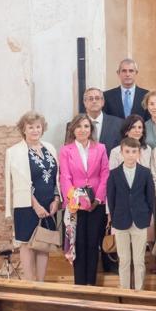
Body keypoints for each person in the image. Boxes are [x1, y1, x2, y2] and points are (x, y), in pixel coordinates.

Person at [5, 111, 60, 282]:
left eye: (38, 126)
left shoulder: (50, 148)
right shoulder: (14, 152)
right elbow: (17, 182)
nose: (35, 130)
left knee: (43, 244)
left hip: (50, 204)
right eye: (31, 127)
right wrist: (35, 204)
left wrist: (56, 200)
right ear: (23, 129)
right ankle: (29, 286)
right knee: (27, 245)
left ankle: (41, 285)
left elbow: (56, 178)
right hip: (26, 205)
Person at [59, 113, 110, 285]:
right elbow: (65, 177)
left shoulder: (101, 148)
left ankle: (91, 284)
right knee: (78, 244)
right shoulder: (66, 150)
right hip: (75, 206)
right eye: (79, 126)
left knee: (93, 243)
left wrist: (98, 198)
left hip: (96, 203)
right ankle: (79, 284)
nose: (82, 130)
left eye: (86, 126)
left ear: (91, 129)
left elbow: (105, 174)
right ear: (73, 129)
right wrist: (75, 200)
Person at [106, 138, 155, 290]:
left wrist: (146, 217)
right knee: (124, 259)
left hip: (140, 220)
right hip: (121, 221)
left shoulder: (145, 173)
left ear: (139, 153)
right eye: (127, 151)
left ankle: (139, 291)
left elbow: (150, 197)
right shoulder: (114, 174)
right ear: (121, 153)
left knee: (139, 259)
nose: (130, 155)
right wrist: (114, 217)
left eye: (134, 152)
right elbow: (111, 198)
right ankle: (125, 291)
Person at [83, 87, 122, 156]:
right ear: (85, 103)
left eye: (97, 98)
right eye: (91, 99)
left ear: (103, 102)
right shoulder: (74, 125)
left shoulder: (118, 124)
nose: (94, 101)